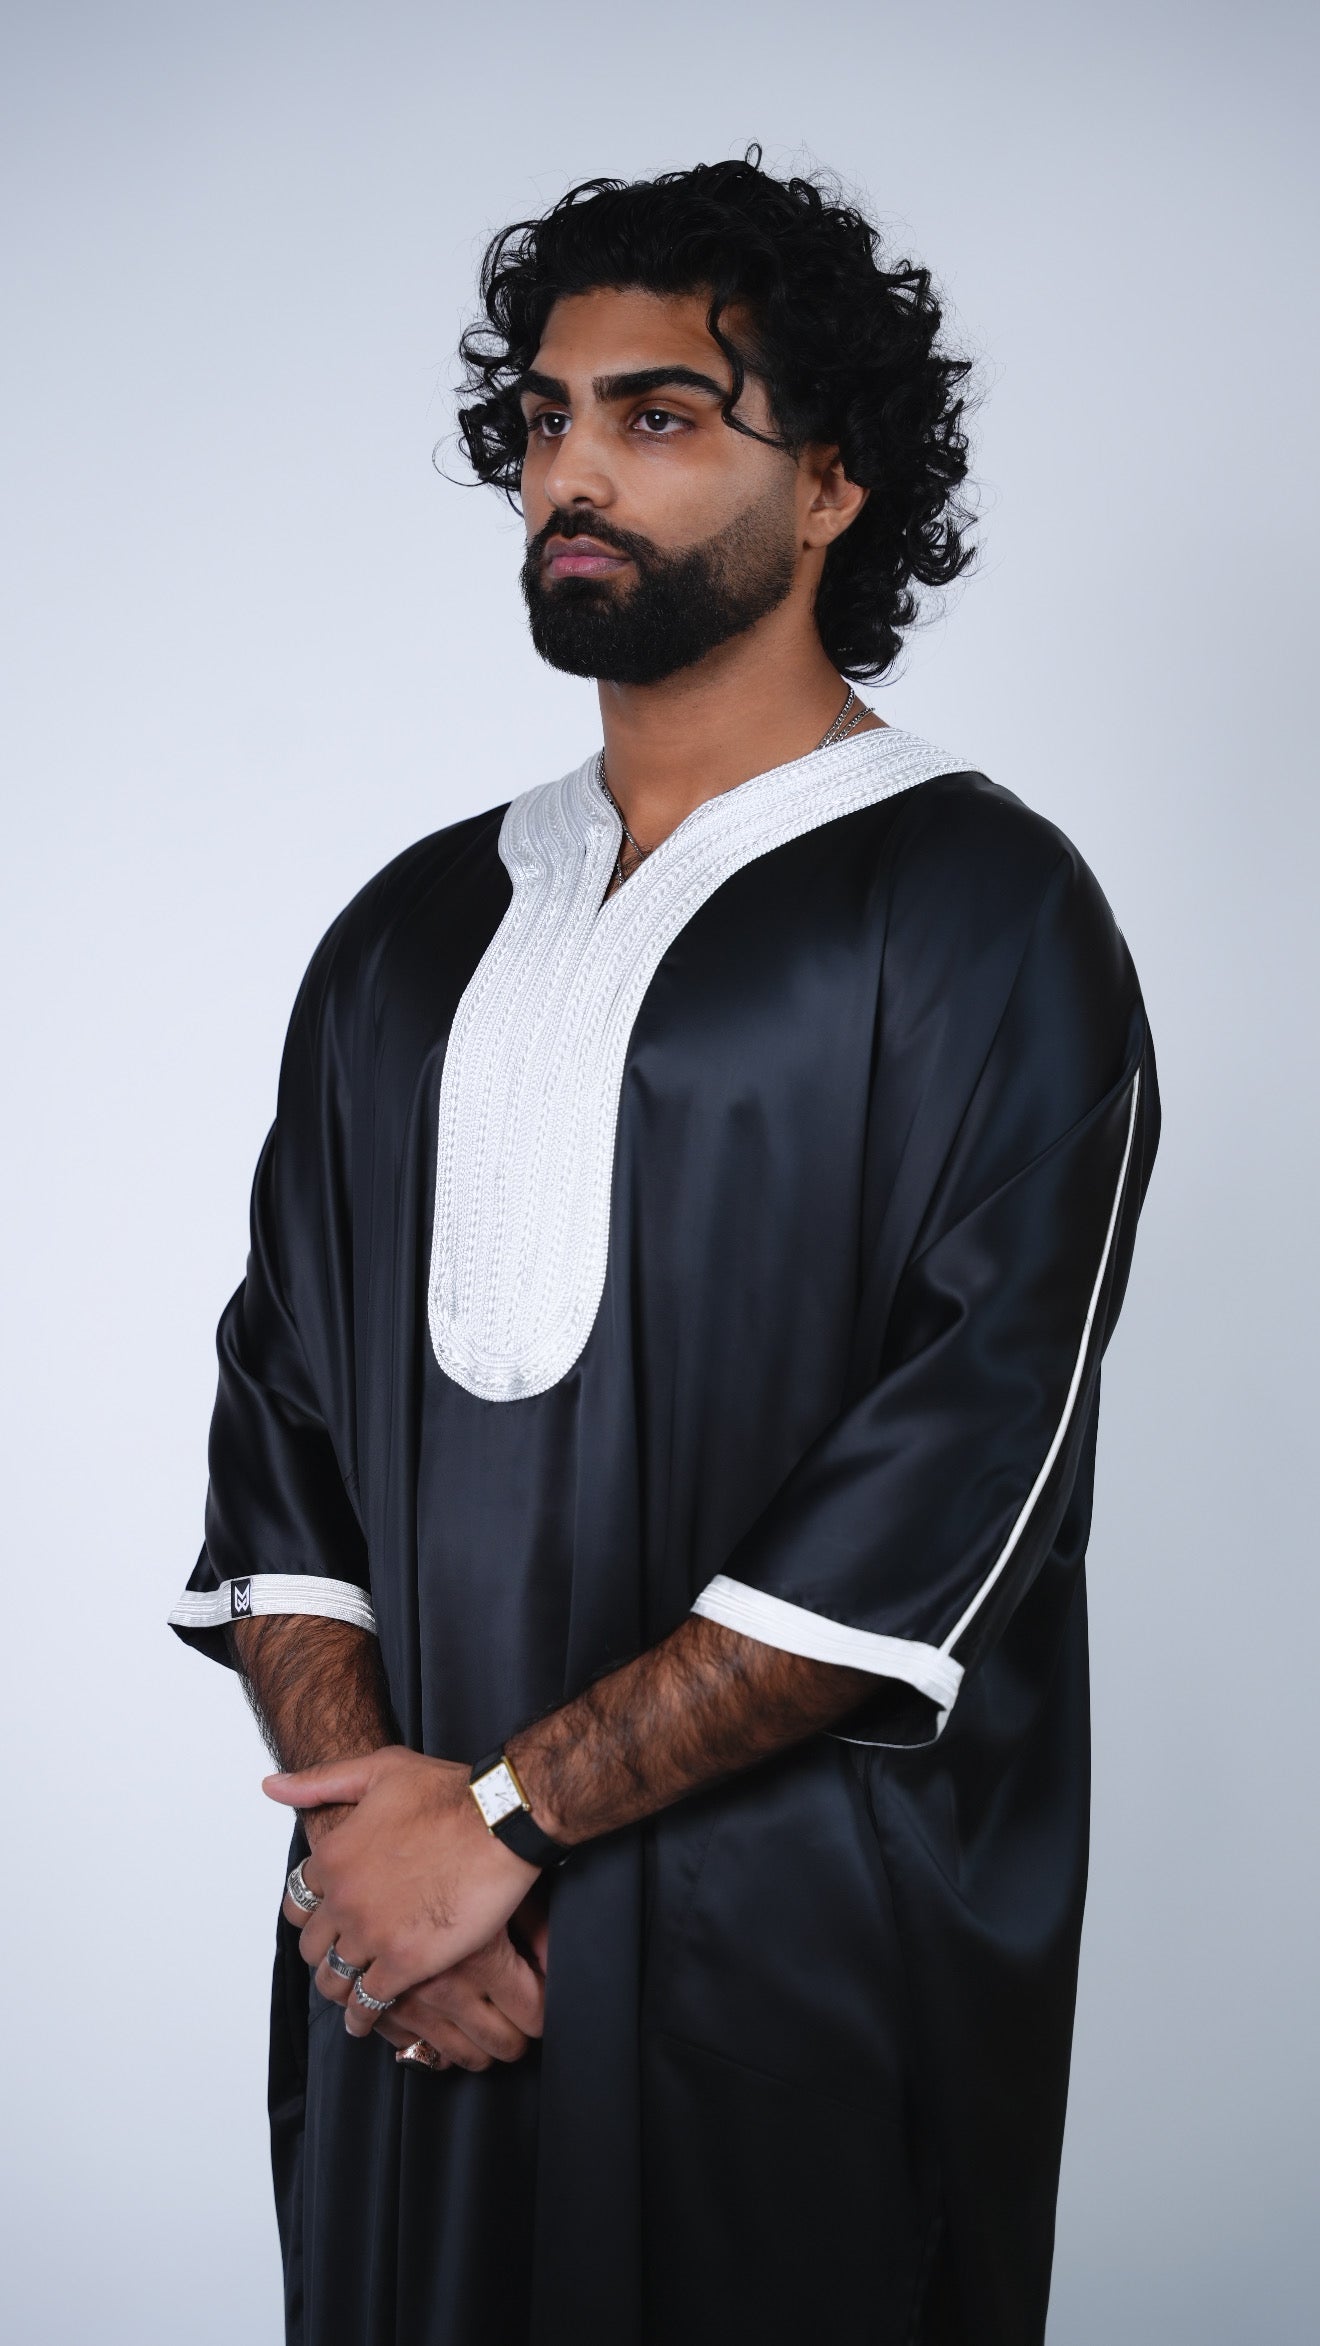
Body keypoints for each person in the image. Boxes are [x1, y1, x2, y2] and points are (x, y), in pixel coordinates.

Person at [171, 154, 1159, 2346]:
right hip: (415, 1975)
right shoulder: (408, 931)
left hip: (783, 1973)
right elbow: (281, 1431)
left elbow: (951, 1485)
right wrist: (374, 1841)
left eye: (660, 415)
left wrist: (499, 1827)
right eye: (545, 419)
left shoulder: (985, 918)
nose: (573, 473)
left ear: (834, 483)